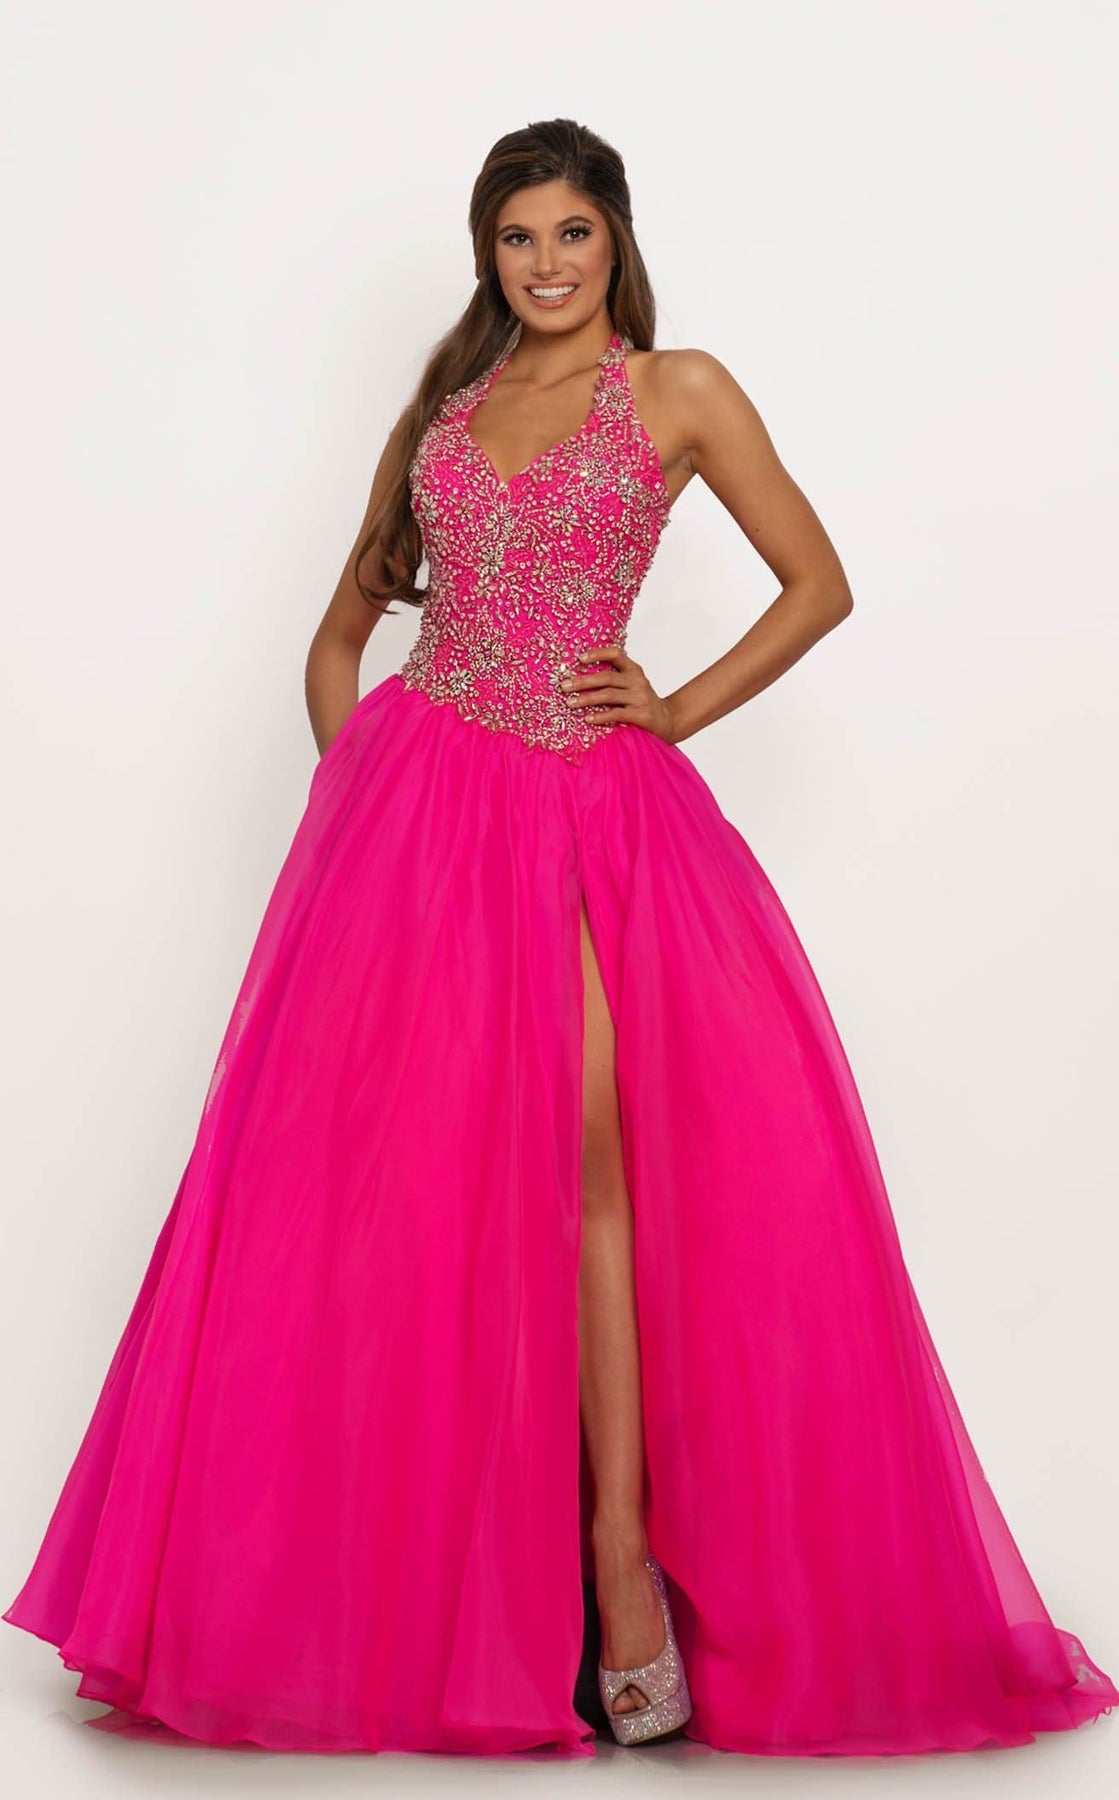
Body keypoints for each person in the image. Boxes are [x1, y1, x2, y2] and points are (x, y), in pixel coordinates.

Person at [5, 116, 1116, 1761]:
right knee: (421, 1192)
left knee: (596, 1157)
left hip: (596, 814)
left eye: (571, 234)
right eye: (518, 237)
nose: (544, 264)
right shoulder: (445, 418)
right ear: (488, 251)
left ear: (615, 242)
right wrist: (362, 814)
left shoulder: (677, 391)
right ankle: (439, 1595)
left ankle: (620, 1564)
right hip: (423, 821)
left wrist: (676, 707)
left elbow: (819, 583)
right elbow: (341, 634)